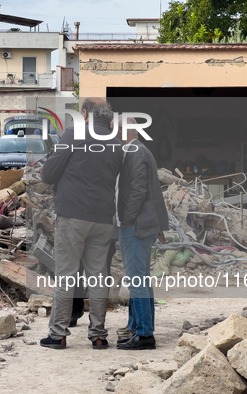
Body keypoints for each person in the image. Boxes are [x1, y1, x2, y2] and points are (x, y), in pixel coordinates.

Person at [40, 98, 123, 349]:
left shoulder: (74, 133)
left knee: (66, 274)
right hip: (103, 218)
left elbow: (48, 174)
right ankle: (98, 335)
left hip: (73, 215)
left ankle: (58, 334)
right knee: (99, 276)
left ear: (85, 113)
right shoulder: (116, 143)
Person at [116, 124, 169, 350]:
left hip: (136, 226)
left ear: (122, 133)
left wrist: (126, 219)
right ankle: (138, 328)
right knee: (141, 279)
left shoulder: (135, 153)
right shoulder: (140, 151)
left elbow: (138, 190)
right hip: (143, 224)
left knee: (136, 280)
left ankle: (145, 334)